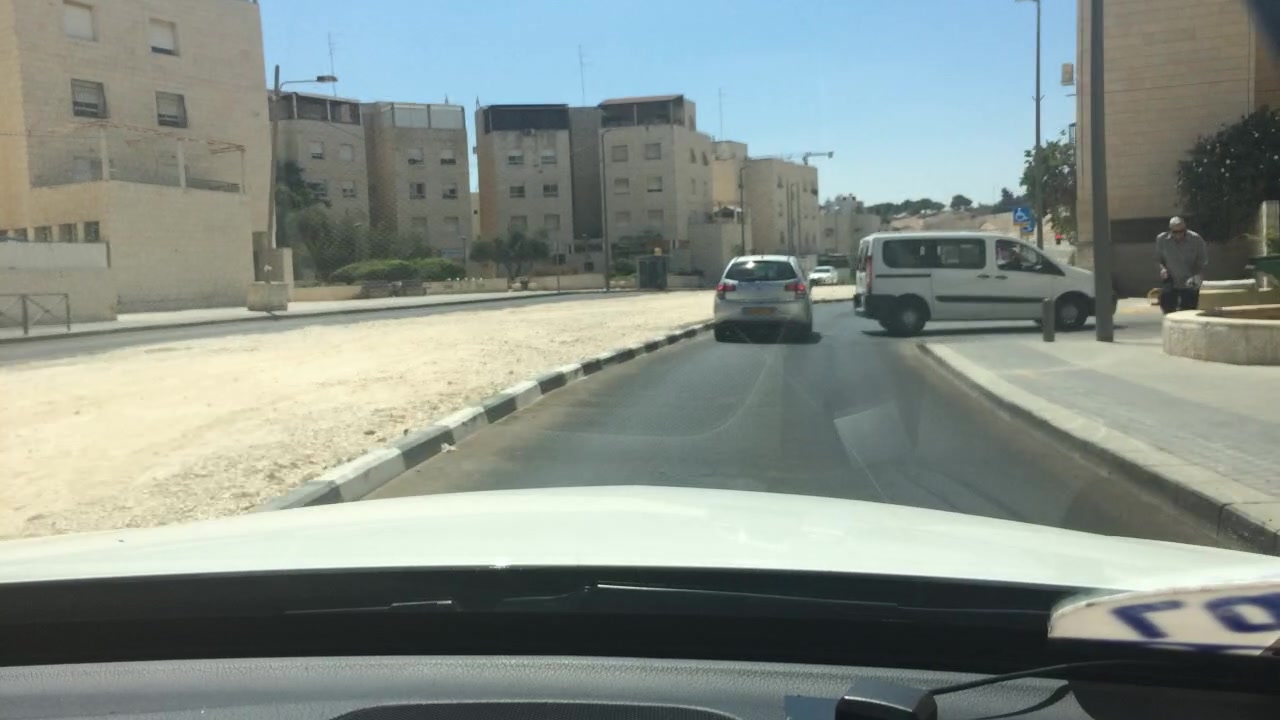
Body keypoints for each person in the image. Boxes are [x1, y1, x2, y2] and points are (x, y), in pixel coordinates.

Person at [1155, 217, 1208, 314]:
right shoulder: (1162, 239)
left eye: (1181, 231)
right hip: (1171, 278)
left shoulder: (1196, 239)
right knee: (1166, 305)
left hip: (1190, 278)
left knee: (1188, 310)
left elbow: (1202, 260)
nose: (1179, 234)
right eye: (1175, 232)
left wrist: (1195, 275)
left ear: (1185, 229)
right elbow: (1159, 259)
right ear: (1170, 230)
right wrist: (1163, 269)